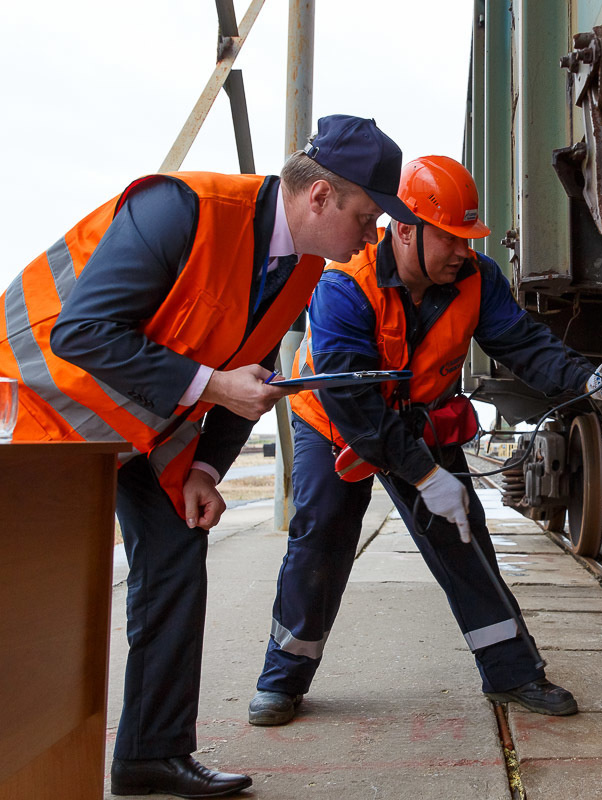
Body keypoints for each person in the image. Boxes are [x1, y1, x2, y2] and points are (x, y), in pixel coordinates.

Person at [0, 115, 418, 798]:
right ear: (319, 198)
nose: (371, 236)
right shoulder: (181, 209)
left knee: (176, 561)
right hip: (38, 418)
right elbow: (82, 333)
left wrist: (203, 468)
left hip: (140, 436)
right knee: (34, 604)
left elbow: (248, 371)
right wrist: (212, 386)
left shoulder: (303, 269)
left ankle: (150, 756)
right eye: (366, 215)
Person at [248, 155, 602, 726]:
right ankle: (282, 680)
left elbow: (523, 343)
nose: (464, 250)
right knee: (321, 541)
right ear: (405, 229)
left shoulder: (476, 278)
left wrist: (586, 379)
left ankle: (513, 675)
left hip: (418, 421)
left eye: (468, 237)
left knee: (464, 542)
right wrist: (427, 476)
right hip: (336, 424)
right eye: (452, 238)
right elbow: (353, 405)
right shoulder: (343, 283)